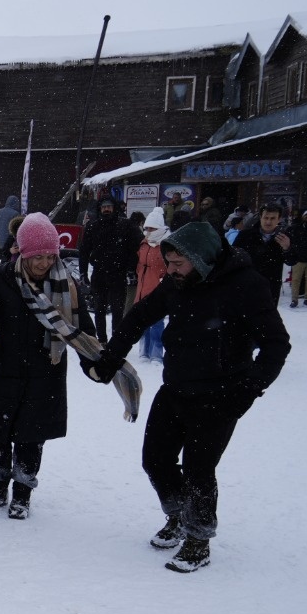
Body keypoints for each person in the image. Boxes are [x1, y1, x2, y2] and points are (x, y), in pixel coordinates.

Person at [90, 221, 291, 572]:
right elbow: (140, 315)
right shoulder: (178, 282)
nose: (170, 271)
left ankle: (198, 539)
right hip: (176, 387)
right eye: (168, 263)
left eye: (178, 264)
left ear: (202, 258)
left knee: (199, 469)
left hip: (221, 394)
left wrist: (247, 391)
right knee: (155, 460)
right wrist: (111, 357)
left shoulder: (246, 286)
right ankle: (179, 516)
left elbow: (277, 345)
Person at [0, 215, 97, 519]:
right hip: (7, 368)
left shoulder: (66, 284)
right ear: (23, 252)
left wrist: (96, 363)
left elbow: (81, 328)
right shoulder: (3, 278)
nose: (43, 262)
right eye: (36, 256)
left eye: (49, 255)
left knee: (31, 436)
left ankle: (22, 494)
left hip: (46, 370)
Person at [78, 197, 139, 343]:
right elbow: (84, 251)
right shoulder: (93, 226)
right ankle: (102, 339)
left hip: (119, 273)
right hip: (99, 272)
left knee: (118, 310)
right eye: (104, 207)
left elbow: (134, 248)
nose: (106, 209)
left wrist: (131, 270)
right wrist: (83, 272)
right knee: (99, 309)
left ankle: (116, 340)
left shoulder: (125, 225)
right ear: (99, 209)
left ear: (114, 208)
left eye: (109, 207)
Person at [134, 209, 169, 361]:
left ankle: (156, 352)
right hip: (143, 286)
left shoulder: (166, 245)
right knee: (143, 321)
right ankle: (144, 351)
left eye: (152, 228)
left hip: (158, 287)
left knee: (157, 322)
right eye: (147, 228)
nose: (149, 231)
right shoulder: (144, 244)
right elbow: (140, 264)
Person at [241, 204, 290, 305]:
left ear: (279, 219)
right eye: (266, 218)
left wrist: (287, 248)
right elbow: (234, 258)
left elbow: (292, 261)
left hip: (271, 287)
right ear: (260, 217)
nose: (268, 222)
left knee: (267, 319)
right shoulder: (246, 235)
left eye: (272, 218)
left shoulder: (284, 237)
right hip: (247, 285)